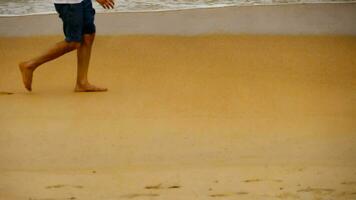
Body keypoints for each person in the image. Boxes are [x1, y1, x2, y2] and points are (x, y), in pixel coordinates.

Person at [19, 0, 115, 92]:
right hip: (69, 3)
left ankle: (82, 83)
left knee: (88, 36)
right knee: (73, 42)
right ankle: (30, 65)